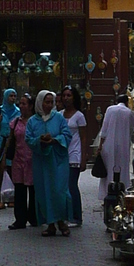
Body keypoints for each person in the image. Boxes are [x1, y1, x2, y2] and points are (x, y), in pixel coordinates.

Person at [26, 89, 71, 238]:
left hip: (58, 160)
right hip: (41, 162)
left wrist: (55, 140)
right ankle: (50, 224)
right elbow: (29, 139)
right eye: (47, 102)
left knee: (60, 191)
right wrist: (39, 141)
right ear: (40, 102)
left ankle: (62, 221)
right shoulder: (33, 121)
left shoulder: (59, 118)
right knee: (43, 191)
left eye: (51, 102)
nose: (49, 105)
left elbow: (67, 135)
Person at [96, 93, 134, 200]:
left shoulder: (110, 110)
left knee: (109, 169)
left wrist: (100, 146)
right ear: (127, 102)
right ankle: (122, 193)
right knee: (123, 168)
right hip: (123, 145)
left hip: (108, 145)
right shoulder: (129, 112)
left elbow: (104, 129)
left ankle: (107, 194)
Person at [7, 93, 37, 230]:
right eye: (21, 103)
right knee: (19, 189)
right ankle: (20, 219)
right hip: (18, 159)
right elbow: (10, 140)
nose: (21, 106)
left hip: (33, 159)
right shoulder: (15, 122)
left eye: (24, 104)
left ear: (31, 106)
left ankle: (34, 217)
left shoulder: (36, 121)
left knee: (33, 190)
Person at [61, 85, 87, 227]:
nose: (66, 98)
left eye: (69, 95)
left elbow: (83, 138)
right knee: (63, 187)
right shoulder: (59, 114)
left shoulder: (79, 116)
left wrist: (83, 158)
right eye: (64, 95)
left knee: (72, 186)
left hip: (74, 154)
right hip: (61, 155)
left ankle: (76, 216)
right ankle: (65, 215)